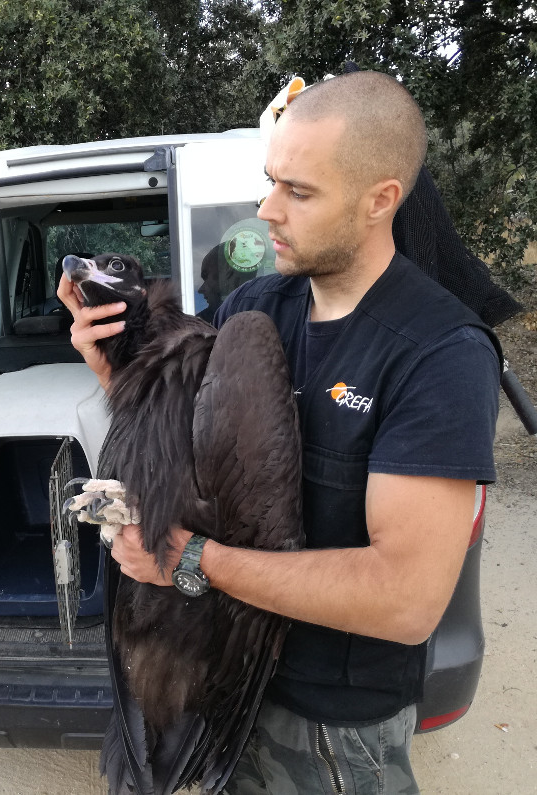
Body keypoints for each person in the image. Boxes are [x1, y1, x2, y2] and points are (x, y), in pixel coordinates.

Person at [58, 71, 501, 794]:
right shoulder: (257, 304)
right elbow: (191, 451)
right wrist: (109, 362)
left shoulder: (438, 353)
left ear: (379, 200)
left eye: (298, 191)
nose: (266, 210)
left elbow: (406, 597)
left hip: (327, 726)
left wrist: (188, 559)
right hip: (214, 669)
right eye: (271, 182)